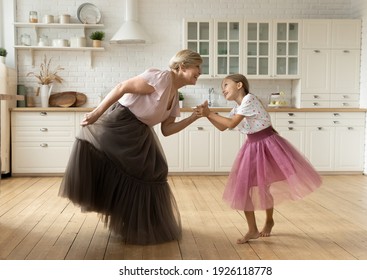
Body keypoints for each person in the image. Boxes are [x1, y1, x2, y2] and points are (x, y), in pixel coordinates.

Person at [59, 49, 203, 245]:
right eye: (197, 67)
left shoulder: (175, 94)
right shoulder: (161, 78)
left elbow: (167, 129)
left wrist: (194, 117)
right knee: (133, 171)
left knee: (157, 170)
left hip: (140, 131)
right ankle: (135, 222)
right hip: (122, 124)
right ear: (182, 67)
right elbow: (122, 87)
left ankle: (141, 223)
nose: (200, 72)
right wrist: (96, 113)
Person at [195, 74, 322, 244]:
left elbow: (232, 124)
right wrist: (207, 116)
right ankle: (252, 229)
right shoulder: (237, 107)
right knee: (245, 187)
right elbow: (222, 127)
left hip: (268, 145)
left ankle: (269, 220)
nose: (222, 89)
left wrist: (209, 112)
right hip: (252, 147)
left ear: (239, 85)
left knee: (264, 186)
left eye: (225, 85)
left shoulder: (249, 99)